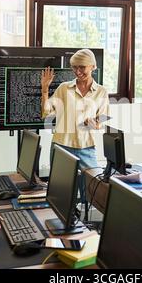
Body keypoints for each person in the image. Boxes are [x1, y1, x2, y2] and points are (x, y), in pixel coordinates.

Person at [41, 49, 109, 203]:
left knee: (91, 194)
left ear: (92, 66)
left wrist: (94, 124)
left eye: (82, 67)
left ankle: (87, 226)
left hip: (86, 148)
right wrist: (45, 89)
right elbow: (46, 112)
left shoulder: (101, 92)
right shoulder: (64, 88)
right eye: (74, 67)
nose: (77, 71)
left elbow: (102, 119)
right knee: (61, 194)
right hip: (61, 146)